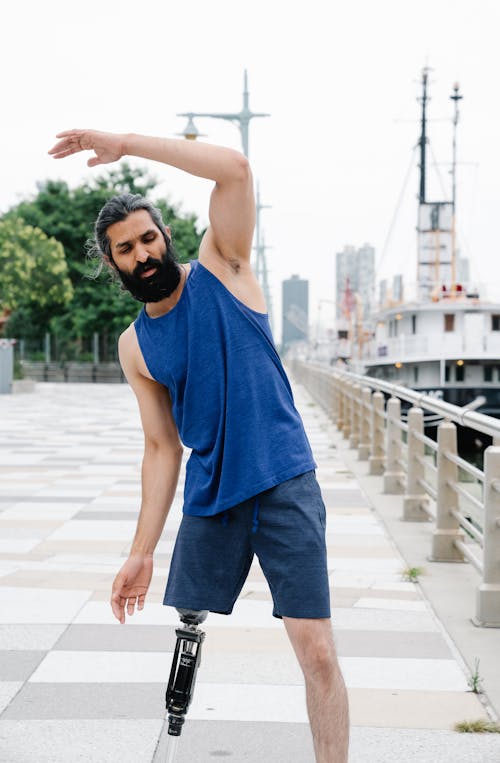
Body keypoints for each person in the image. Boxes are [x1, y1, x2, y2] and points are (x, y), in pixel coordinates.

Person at [49, 129, 349, 762]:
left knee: (316, 651)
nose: (143, 253)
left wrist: (124, 144)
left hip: (284, 478)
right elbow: (162, 449)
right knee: (185, 616)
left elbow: (235, 170)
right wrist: (139, 552)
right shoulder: (134, 347)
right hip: (212, 498)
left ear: (165, 234)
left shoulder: (226, 267)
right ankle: (191, 627)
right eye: (126, 249)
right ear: (113, 263)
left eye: (149, 237)